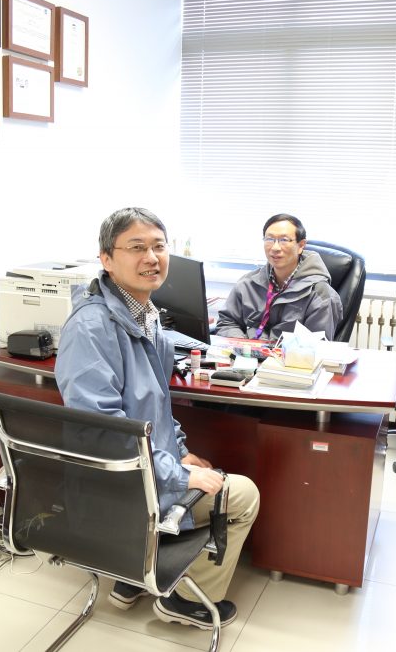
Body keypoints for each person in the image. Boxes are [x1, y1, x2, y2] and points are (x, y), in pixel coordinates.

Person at [55, 207, 260, 630]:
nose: (151, 257)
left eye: (158, 246)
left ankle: (135, 574)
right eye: (136, 248)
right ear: (106, 259)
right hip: (121, 487)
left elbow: (155, 408)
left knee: (205, 467)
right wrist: (178, 475)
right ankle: (183, 601)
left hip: (142, 472)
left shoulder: (147, 317)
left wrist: (180, 453)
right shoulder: (91, 327)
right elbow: (102, 433)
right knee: (243, 495)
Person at [215, 213, 343, 342]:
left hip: (290, 355)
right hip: (247, 352)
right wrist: (244, 347)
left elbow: (315, 346)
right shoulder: (247, 283)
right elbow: (227, 322)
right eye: (269, 239)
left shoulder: (321, 295)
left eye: (284, 240)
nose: (275, 247)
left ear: (301, 246)